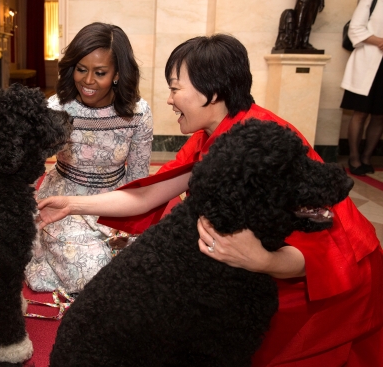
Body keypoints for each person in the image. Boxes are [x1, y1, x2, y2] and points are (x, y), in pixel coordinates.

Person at [38, 34, 383, 366]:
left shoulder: (265, 145)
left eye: (175, 88)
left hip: (333, 279)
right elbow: (146, 195)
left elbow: (323, 248)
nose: (169, 99)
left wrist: (260, 260)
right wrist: (72, 204)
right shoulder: (213, 134)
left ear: (212, 92)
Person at [24, 22, 153, 294]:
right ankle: (46, 252)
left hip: (116, 200)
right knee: (97, 275)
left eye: (101, 72)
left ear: (118, 73)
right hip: (63, 201)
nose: (88, 81)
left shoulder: (138, 113)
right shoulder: (56, 108)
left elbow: (138, 177)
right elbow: (30, 167)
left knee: (145, 272)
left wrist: (132, 226)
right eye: (81, 69)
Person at [341, 0, 383, 176]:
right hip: (368, 63)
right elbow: (355, 29)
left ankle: (367, 157)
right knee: (360, 112)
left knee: (380, 115)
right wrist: (381, 41)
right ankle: (354, 157)